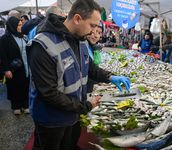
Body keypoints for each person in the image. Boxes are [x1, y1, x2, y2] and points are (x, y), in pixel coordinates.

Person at [28, 0, 131, 149]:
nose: (94, 31)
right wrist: (85, 106)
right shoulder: (43, 45)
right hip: (51, 120)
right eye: (92, 25)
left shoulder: (80, 39)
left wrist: (110, 77)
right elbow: (48, 93)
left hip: (73, 115)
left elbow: (90, 67)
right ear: (77, 19)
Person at [0, 17, 29, 115]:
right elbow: (2, 55)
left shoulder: (23, 36)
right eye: (19, 25)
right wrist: (6, 69)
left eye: (21, 25)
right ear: (13, 26)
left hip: (25, 66)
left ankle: (25, 105)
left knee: (25, 84)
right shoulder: (5, 38)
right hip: (13, 68)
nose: (21, 27)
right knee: (15, 86)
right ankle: (16, 105)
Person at [86, 22, 103, 93]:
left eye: (99, 33)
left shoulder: (93, 48)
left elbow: (94, 66)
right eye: (95, 32)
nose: (96, 36)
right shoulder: (82, 46)